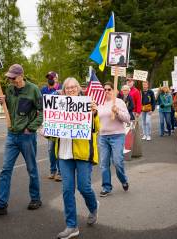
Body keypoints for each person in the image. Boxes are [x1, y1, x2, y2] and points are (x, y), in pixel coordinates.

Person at [0, 64, 43, 215]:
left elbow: (42, 111)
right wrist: (3, 102)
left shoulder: (33, 90)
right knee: (5, 169)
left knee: (31, 169)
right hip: (11, 135)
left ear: (21, 76)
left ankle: (36, 198)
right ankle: (1, 204)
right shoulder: (10, 89)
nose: (11, 80)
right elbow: (10, 109)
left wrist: (30, 128)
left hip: (27, 137)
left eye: (13, 77)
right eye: (9, 78)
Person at [54, 77, 99, 239]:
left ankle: (93, 206)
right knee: (67, 190)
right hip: (64, 155)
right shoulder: (57, 105)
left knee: (84, 187)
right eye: (67, 88)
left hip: (82, 153)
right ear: (64, 90)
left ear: (79, 89)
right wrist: (47, 132)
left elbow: (96, 128)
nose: (71, 90)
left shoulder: (88, 104)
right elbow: (53, 131)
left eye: (73, 87)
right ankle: (72, 226)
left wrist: (94, 114)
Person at [98, 82, 130, 197]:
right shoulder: (99, 103)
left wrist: (117, 112)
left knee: (117, 162)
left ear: (114, 90)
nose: (106, 91)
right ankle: (106, 187)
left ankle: (124, 180)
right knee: (104, 163)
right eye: (104, 89)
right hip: (103, 137)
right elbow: (96, 120)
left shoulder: (119, 102)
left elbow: (127, 119)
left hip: (117, 136)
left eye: (109, 89)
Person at [41, 71, 62, 182]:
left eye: (52, 77)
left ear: (57, 79)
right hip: (50, 123)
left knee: (59, 149)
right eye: (48, 77)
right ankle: (52, 170)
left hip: (61, 123)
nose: (50, 79)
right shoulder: (44, 90)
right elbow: (40, 104)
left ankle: (60, 172)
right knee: (50, 149)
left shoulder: (62, 88)